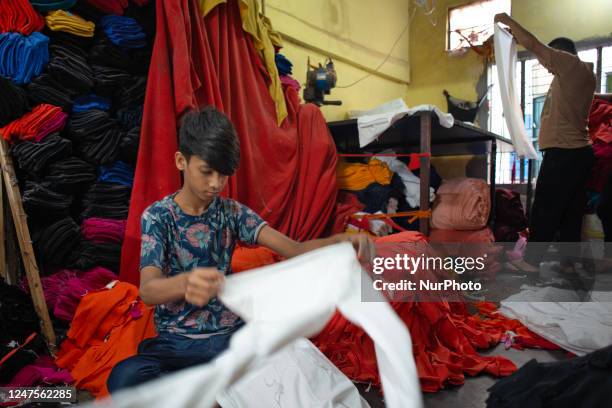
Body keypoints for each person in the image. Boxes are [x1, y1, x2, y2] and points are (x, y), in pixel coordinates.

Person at [106, 107, 376, 392]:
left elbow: (294, 249)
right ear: (181, 161)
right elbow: (148, 290)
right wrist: (184, 283)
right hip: (176, 344)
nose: (215, 184)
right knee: (125, 378)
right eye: (206, 172)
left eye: (223, 176)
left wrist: (338, 242)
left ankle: (214, 391)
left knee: (295, 361)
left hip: (230, 339)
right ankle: (219, 391)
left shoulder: (232, 213)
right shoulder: (158, 217)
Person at [494, 13, 596, 273]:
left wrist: (509, 21)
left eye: (551, 60)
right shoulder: (582, 76)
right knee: (570, 212)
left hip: (564, 152)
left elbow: (536, 46)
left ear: (561, 54)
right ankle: (569, 264)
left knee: (545, 208)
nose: (548, 65)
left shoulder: (569, 65)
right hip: (579, 153)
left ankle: (531, 263)